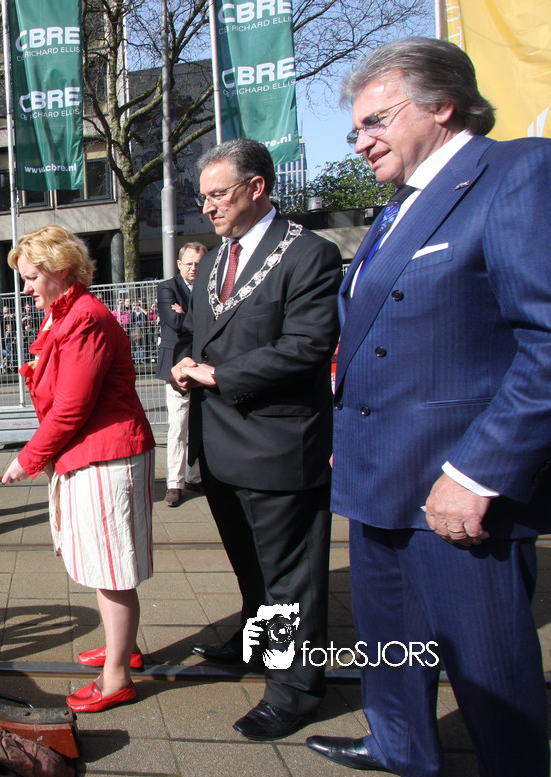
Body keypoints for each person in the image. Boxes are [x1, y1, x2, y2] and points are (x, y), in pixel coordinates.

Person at [307, 38, 551, 777]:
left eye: (376, 121)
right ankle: (400, 744)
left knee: (490, 671)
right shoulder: (399, 208)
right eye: (356, 129)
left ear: (443, 105)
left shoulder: (515, 173)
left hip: (456, 491)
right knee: (391, 644)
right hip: (378, 479)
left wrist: (478, 473)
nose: (361, 142)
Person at [170, 138, 341, 741]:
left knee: (289, 577)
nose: (207, 207)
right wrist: (181, 362)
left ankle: (295, 690)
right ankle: (254, 643)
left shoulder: (309, 254)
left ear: (257, 187)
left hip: (278, 445)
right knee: (250, 566)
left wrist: (219, 375)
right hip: (219, 446)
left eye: (217, 194)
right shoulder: (216, 259)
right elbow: (195, 333)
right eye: (203, 197)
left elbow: (308, 345)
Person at [1, 225, 155, 715]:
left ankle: (117, 678)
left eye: (31, 277)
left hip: (106, 455)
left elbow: (71, 408)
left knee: (112, 569)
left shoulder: (84, 317)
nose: (25, 288)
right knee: (103, 563)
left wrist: (27, 459)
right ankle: (121, 647)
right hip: (90, 454)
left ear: (61, 269)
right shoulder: (64, 314)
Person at [155, 242, 206, 507]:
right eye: (189, 263)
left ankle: (194, 477)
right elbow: (172, 321)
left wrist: (186, 314)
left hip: (204, 364)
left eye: (198, 263)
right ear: (179, 264)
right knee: (178, 424)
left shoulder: (210, 285)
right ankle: (174, 483)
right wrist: (202, 318)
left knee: (198, 423)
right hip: (176, 364)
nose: (194, 268)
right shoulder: (167, 287)